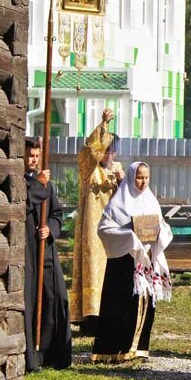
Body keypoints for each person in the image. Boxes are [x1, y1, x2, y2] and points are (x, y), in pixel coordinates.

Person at [92, 162, 173, 363]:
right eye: (139, 177)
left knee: (146, 304)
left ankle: (139, 348)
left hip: (147, 260)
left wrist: (159, 233)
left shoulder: (151, 200)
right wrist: (130, 236)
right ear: (131, 177)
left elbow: (162, 225)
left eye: (146, 177)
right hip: (125, 262)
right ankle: (116, 349)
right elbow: (104, 230)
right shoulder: (118, 203)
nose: (143, 181)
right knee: (122, 307)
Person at [70, 108, 125, 336]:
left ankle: (110, 316)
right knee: (93, 269)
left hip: (113, 229)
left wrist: (123, 183)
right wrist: (103, 125)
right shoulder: (88, 170)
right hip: (92, 230)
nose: (109, 155)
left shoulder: (118, 170)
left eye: (112, 151)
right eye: (106, 151)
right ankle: (89, 319)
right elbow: (88, 152)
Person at [23, 138, 72, 372]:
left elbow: (57, 213)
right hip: (27, 252)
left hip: (46, 251)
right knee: (31, 300)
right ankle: (33, 356)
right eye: (30, 155)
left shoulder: (46, 184)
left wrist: (49, 228)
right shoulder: (21, 182)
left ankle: (52, 353)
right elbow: (20, 205)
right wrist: (38, 186)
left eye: (36, 155)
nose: (33, 159)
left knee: (55, 298)